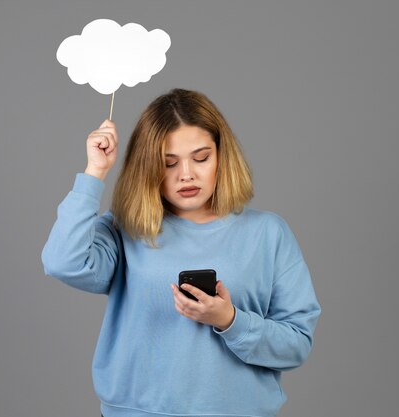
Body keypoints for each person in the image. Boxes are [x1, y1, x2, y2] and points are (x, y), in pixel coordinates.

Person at [41, 88, 321, 417]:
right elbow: (62, 261)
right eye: (168, 163)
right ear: (148, 167)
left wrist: (230, 321)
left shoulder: (268, 233)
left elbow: (296, 345)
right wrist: (95, 172)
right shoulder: (126, 228)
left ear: (222, 156)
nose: (186, 174)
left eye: (201, 158)